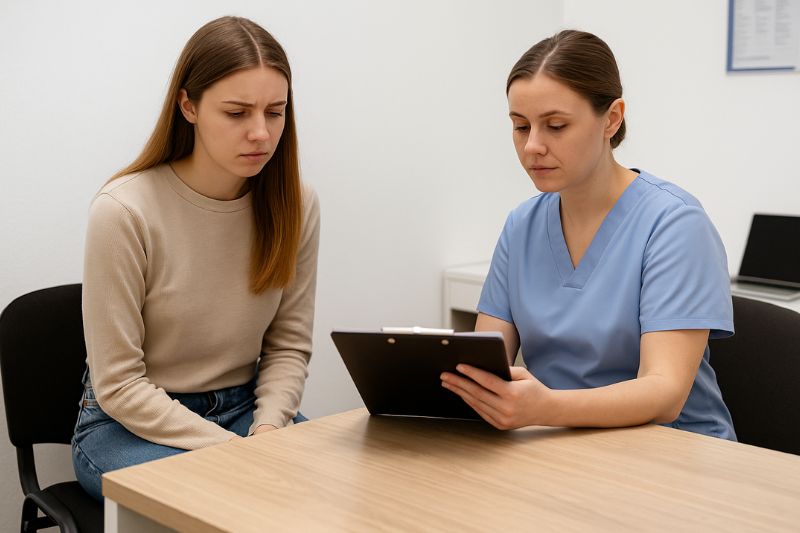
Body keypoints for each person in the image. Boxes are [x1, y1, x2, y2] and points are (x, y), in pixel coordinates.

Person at [440, 30, 735, 440]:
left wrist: (545, 408)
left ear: (611, 119)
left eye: (556, 126)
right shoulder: (521, 225)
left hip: (672, 450)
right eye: (521, 126)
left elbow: (664, 392)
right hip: (558, 443)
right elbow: (485, 364)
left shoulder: (674, 224)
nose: (532, 146)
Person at [72, 16, 320, 500]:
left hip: (244, 410)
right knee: (232, 500)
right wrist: (235, 453)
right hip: (126, 424)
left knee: (332, 485)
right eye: (237, 113)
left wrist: (269, 429)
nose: (261, 133)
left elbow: (288, 346)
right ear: (188, 105)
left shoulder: (296, 203)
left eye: (275, 112)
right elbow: (119, 386)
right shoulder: (123, 210)